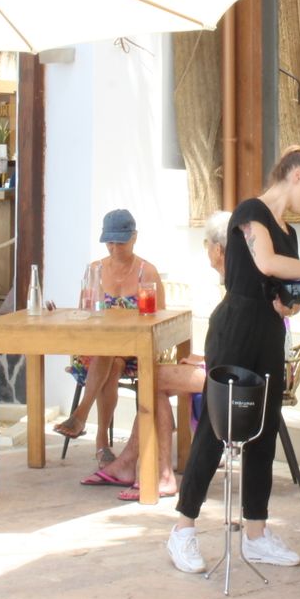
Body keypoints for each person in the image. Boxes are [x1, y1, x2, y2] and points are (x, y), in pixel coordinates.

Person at [167, 147, 300, 574]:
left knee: (264, 431)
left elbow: (283, 289)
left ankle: (255, 534)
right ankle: (183, 530)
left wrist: (295, 303)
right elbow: (266, 262)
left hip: (269, 335)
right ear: (295, 174)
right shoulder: (251, 212)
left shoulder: (290, 234)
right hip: (234, 328)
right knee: (217, 430)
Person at [83, 210, 234, 500]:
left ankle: (142, 468)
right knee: (146, 374)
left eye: (207, 245)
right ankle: (147, 469)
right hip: (218, 364)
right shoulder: (236, 278)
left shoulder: (238, 280)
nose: (206, 252)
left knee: (153, 378)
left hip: (230, 372)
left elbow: (237, 338)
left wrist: (207, 360)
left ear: (217, 249)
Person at [52, 208, 164, 468]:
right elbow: (84, 312)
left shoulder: (147, 273)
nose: (114, 247)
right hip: (100, 352)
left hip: (136, 351)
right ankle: (101, 442)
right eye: (109, 241)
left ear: (134, 237)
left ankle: (82, 416)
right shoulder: (95, 269)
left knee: (113, 354)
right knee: (110, 359)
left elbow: (160, 319)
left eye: (119, 241)